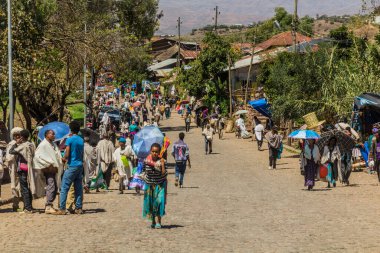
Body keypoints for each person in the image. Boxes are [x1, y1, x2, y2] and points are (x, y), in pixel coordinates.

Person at [56, 121, 85, 215]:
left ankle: (62, 208)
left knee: (64, 187)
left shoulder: (70, 139)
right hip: (80, 166)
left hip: (72, 166)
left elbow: (67, 153)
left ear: (71, 129)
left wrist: (64, 158)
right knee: (78, 188)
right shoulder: (81, 140)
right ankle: (78, 208)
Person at [9, 130, 40, 213]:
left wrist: (16, 143)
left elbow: (11, 151)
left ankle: (27, 208)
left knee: (24, 188)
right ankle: (30, 206)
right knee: (29, 187)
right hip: (30, 168)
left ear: (22, 137)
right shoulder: (31, 144)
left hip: (23, 169)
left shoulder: (23, 146)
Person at [33, 130, 63, 214]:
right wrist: (48, 163)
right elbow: (37, 157)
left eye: (54, 133)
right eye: (52, 134)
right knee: (51, 186)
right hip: (48, 169)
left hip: (53, 170)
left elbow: (56, 155)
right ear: (46, 135)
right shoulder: (43, 145)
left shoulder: (53, 145)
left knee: (54, 186)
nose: (54, 135)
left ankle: (50, 205)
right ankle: (48, 206)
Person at [142, 143, 167, 229]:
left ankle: (159, 221)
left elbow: (164, 174)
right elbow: (144, 171)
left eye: (156, 152)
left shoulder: (162, 161)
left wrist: (162, 164)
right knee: (151, 204)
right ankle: (153, 221)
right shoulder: (146, 161)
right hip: (149, 186)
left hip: (159, 186)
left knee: (159, 202)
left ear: (159, 152)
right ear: (150, 151)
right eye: (153, 151)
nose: (154, 153)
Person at [4, 127, 23, 211]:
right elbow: (9, 157)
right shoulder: (12, 144)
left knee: (21, 185)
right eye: (15, 135)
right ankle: (15, 205)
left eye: (18, 135)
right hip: (14, 167)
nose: (17, 137)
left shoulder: (23, 143)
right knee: (14, 186)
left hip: (21, 167)